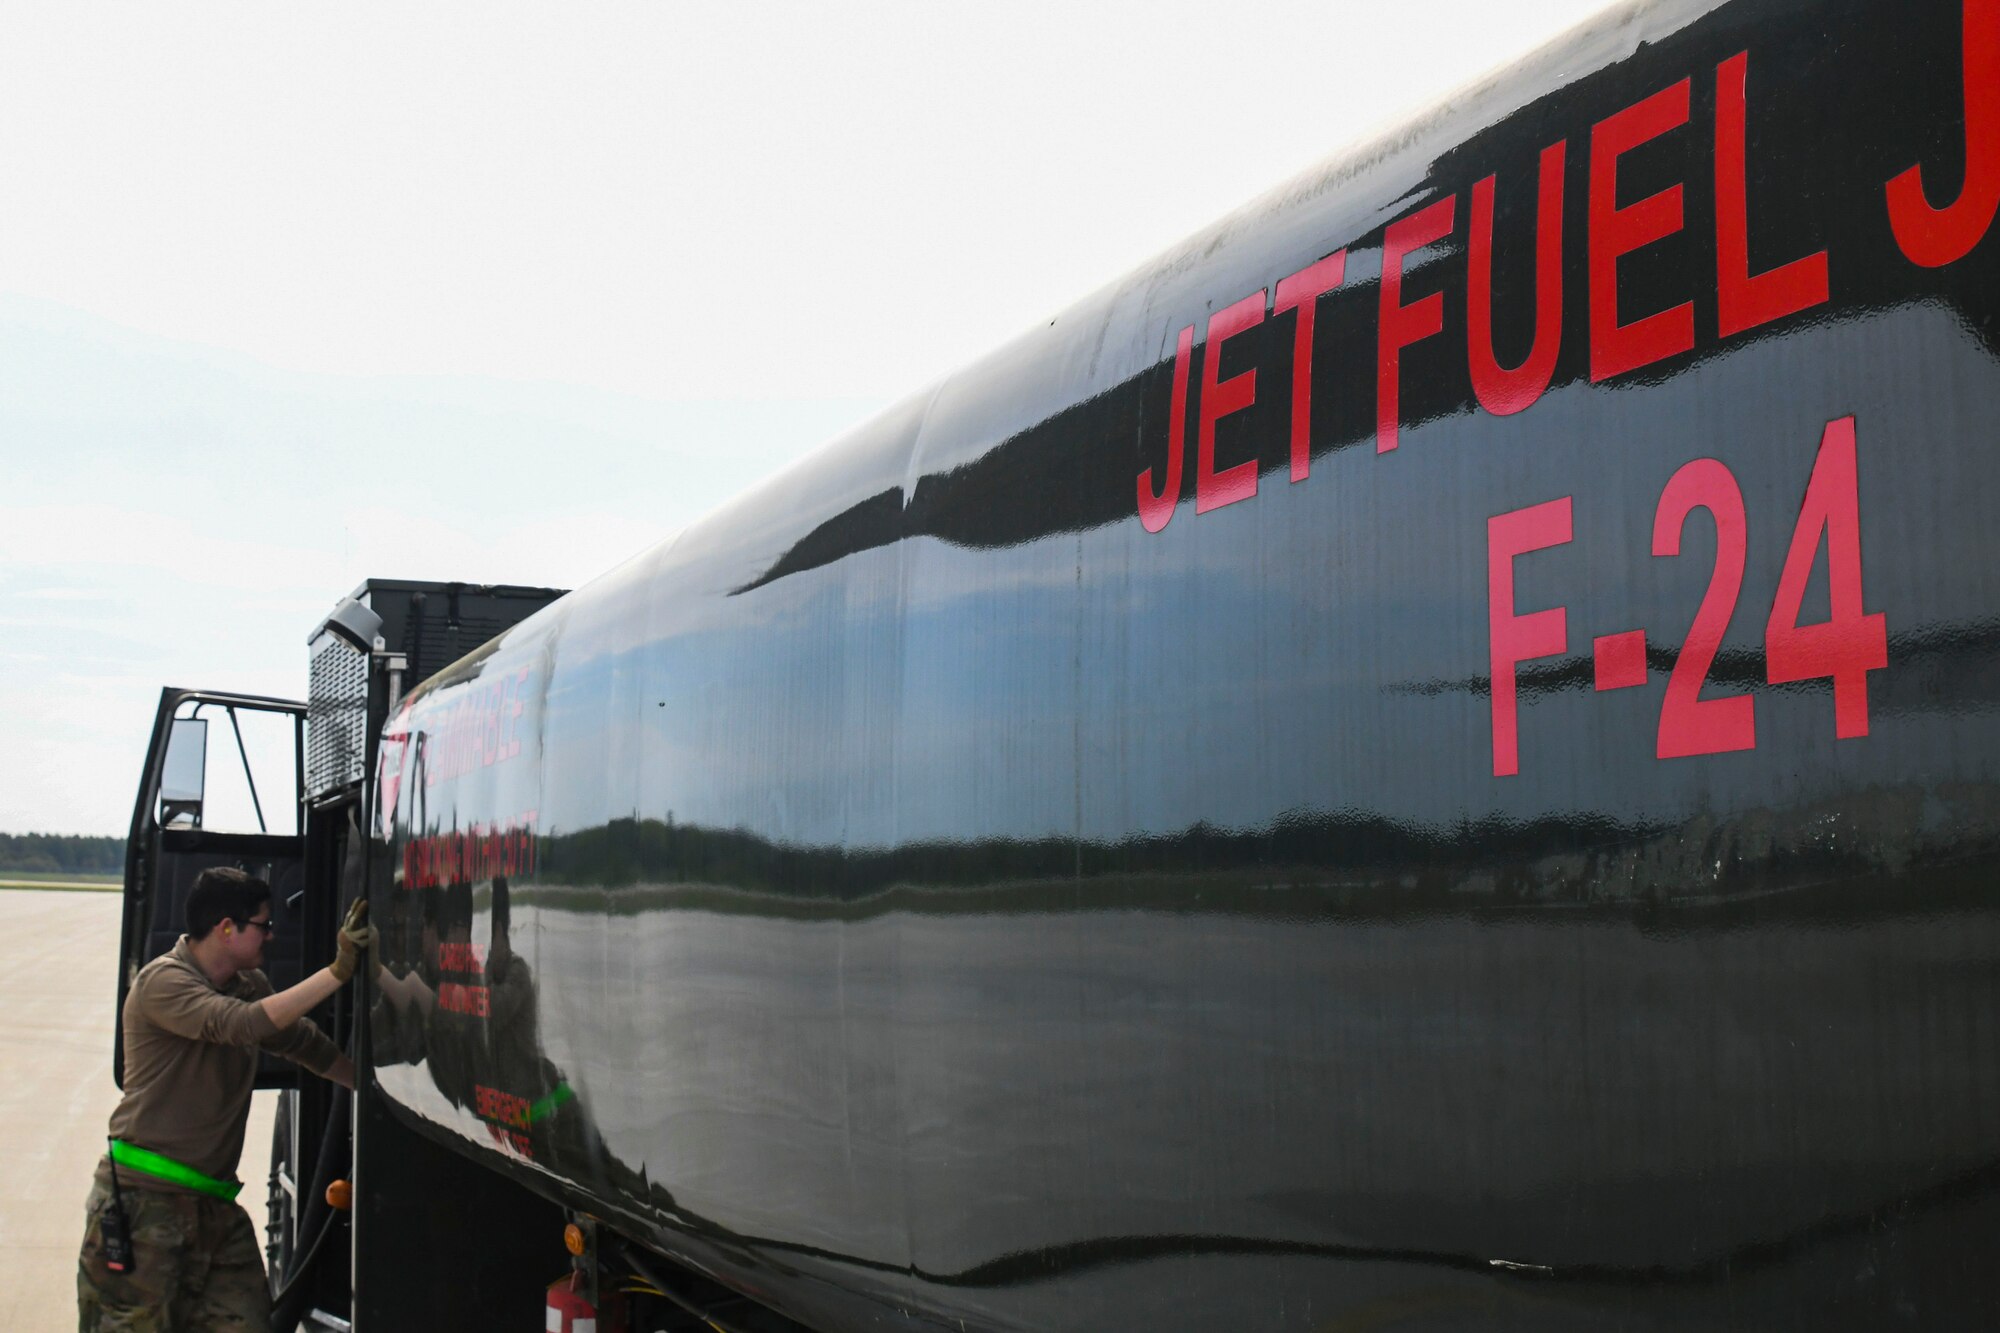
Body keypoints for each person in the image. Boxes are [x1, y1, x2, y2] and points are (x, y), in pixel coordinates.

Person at [76, 867, 376, 1332]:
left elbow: (302, 1043)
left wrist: (374, 1090)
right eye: (264, 925)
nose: (271, 936)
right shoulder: (163, 982)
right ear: (226, 928)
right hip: (145, 1205)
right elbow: (239, 1025)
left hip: (214, 1205)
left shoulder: (245, 983)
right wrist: (337, 973)